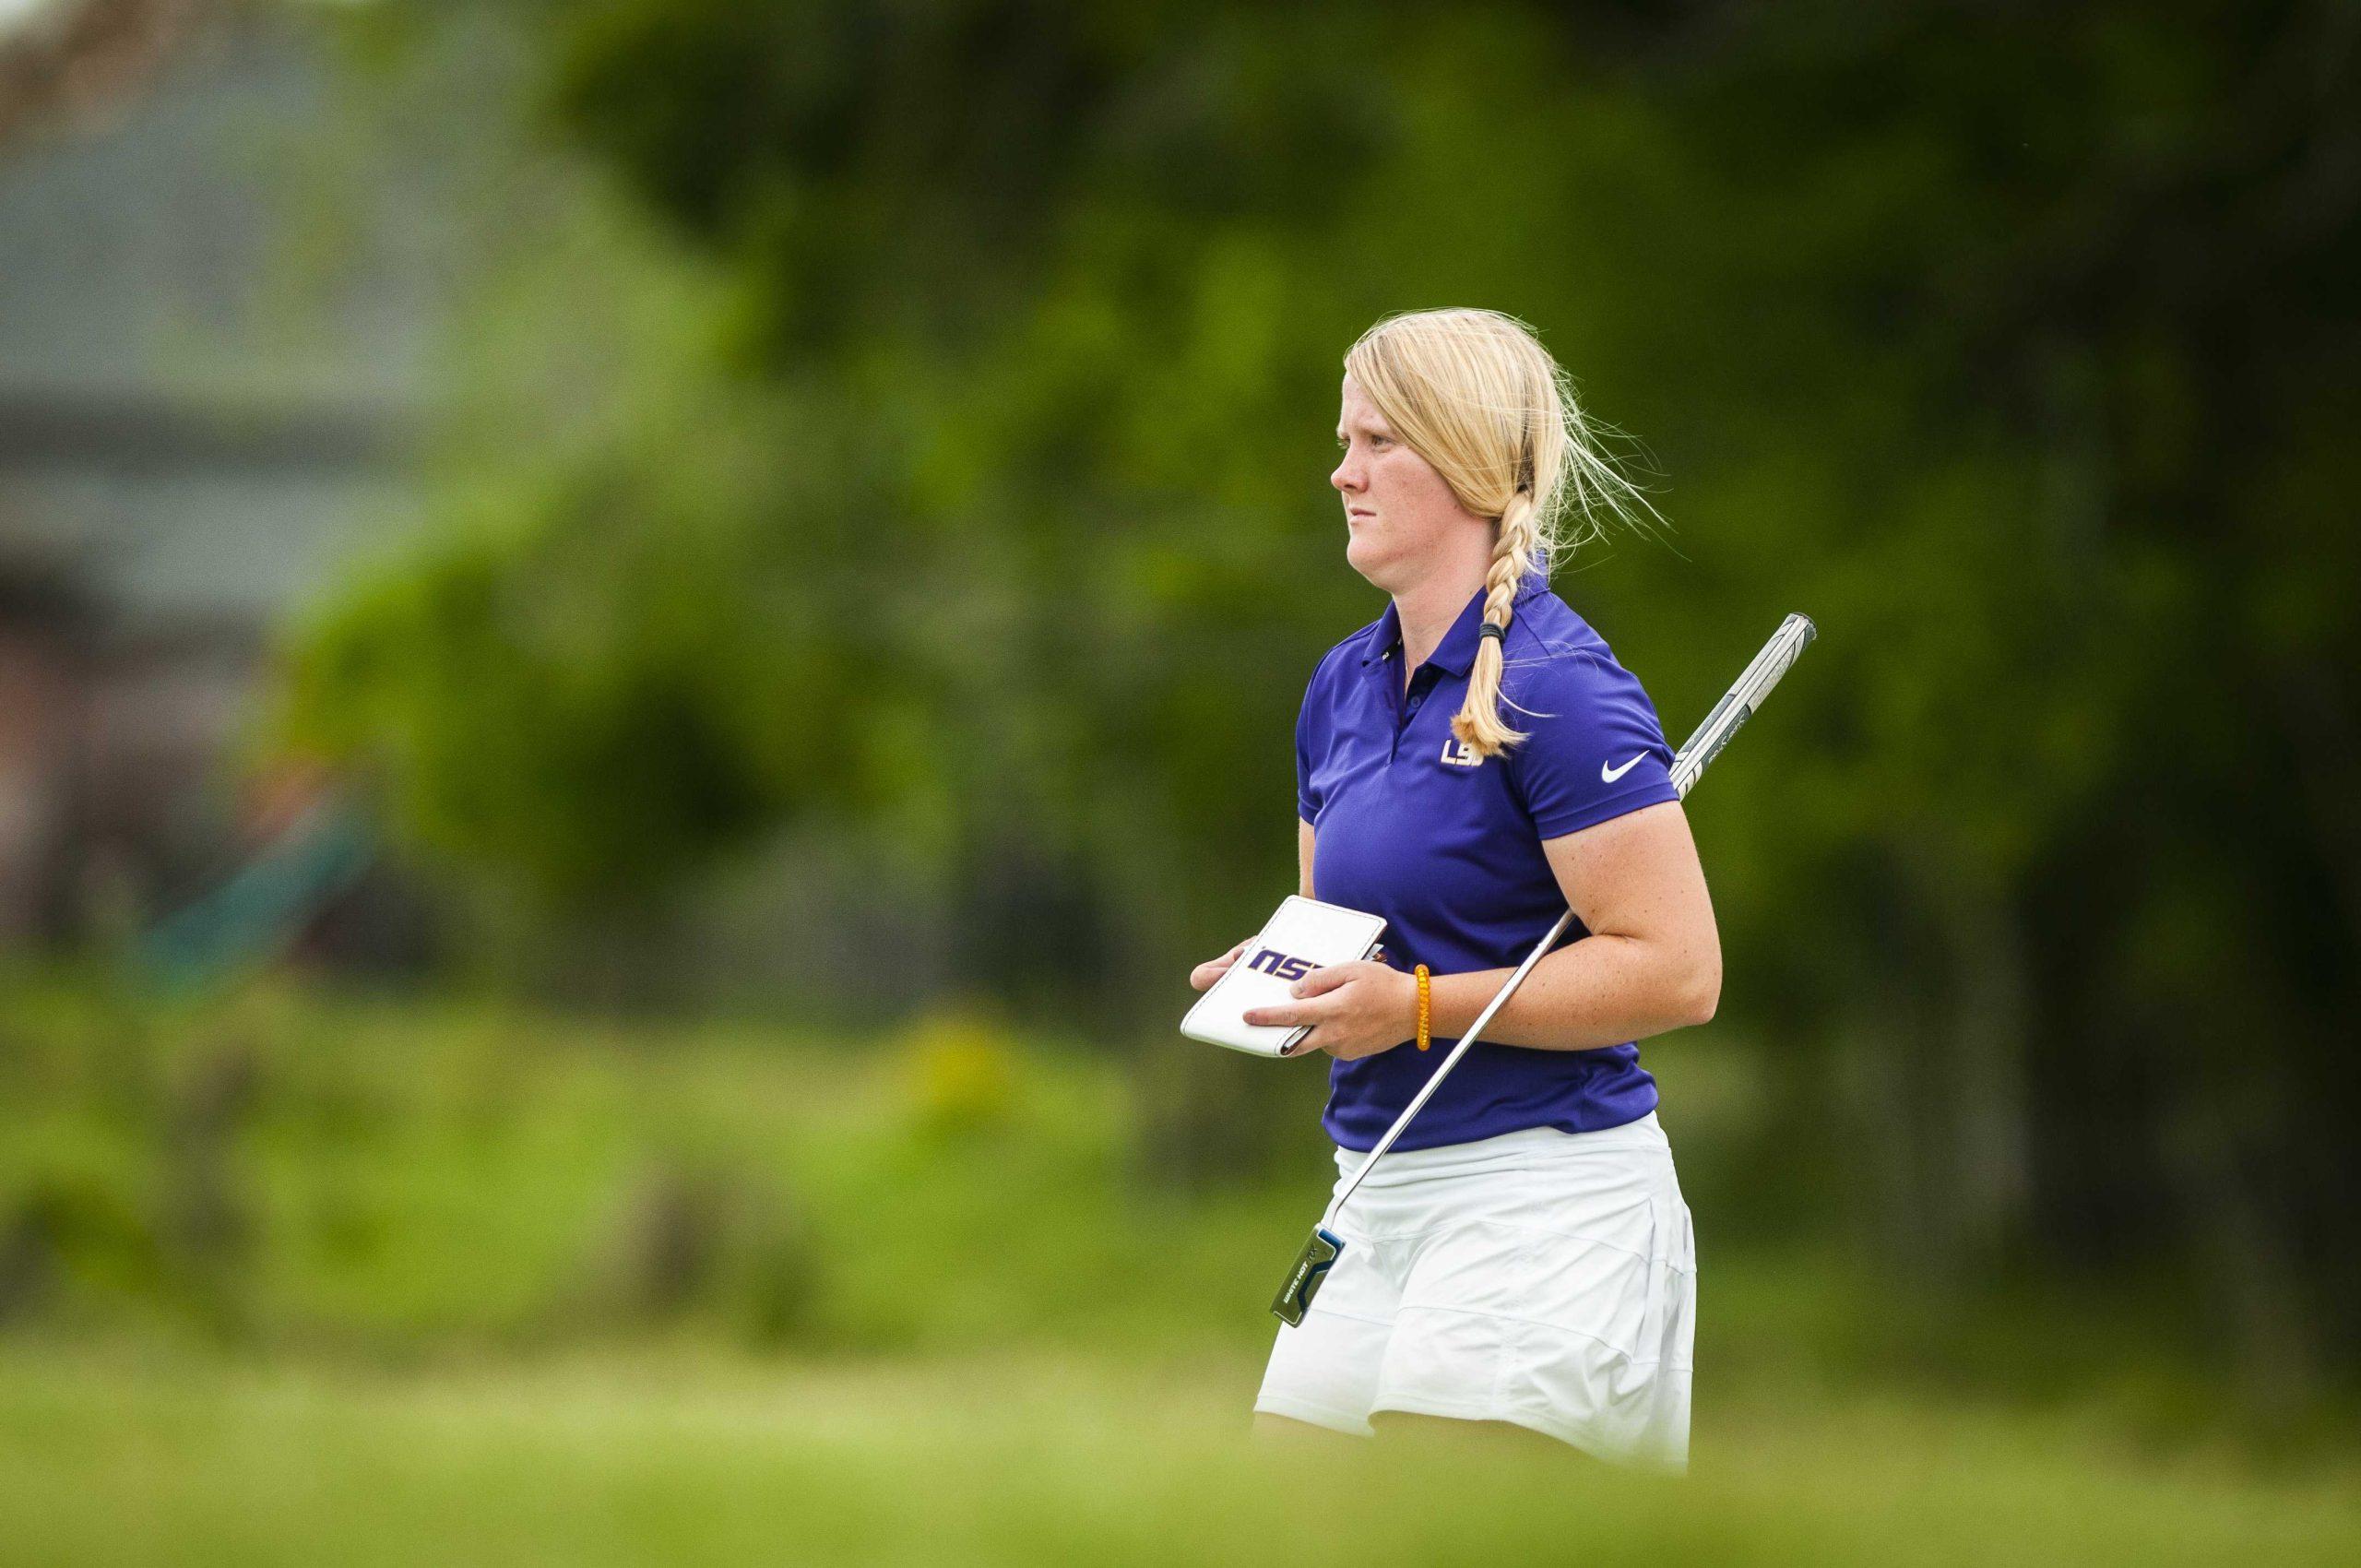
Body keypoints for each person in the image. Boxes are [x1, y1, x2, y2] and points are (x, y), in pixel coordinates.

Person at [1187, 307, 1718, 1469]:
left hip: (1542, 1199)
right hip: (1373, 1190)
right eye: (1344, 438)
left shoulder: (1561, 688)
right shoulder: (1340, 684)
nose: (1341, 470)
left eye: (1377, 441)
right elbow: (1356, 932)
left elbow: (1678, 970)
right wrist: (1287, 971)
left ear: (1470, 460)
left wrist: (1417, 1006)